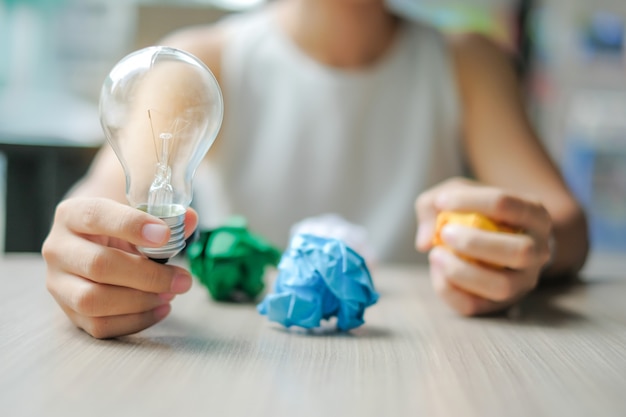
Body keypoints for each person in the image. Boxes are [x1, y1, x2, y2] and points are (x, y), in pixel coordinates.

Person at [42, 0, 589, 339]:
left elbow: (563, 223)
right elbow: (102, 213)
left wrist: (523, 242)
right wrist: (86, 255)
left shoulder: (469, 62)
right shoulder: (196, 62)